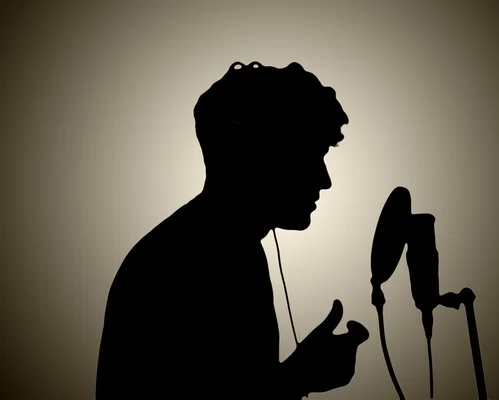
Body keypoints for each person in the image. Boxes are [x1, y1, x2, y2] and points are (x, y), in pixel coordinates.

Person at [95, 61, 369, 399]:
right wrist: (299, 377)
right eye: (312, 155)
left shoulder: (223, 247)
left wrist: (296, 377)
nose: (324, 180)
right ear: (262, 152)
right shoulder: (198, 257)